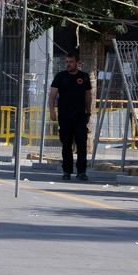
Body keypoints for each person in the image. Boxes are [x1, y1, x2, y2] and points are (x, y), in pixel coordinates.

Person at [48, 51, 92, 181]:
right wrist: (52, 111)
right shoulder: (60, 76)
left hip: (79, 116)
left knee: (81, 143)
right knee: (66, 144)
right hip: (65, 116)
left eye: (71, 62)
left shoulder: (84, 77)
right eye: (66, 62)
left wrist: (88, 112)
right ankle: (67, 171)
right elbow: (52, 96)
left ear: (77, 63)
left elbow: (88, 95)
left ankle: (81, 171)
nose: (68, 64)